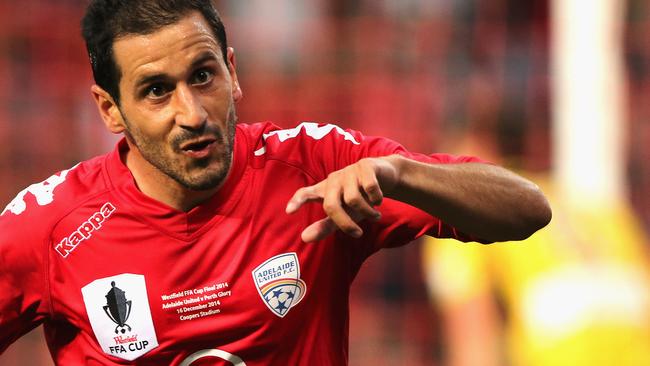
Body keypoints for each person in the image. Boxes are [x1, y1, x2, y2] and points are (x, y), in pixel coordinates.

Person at [0, 1, 551, 365]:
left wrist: (399, 173)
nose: (192, 113)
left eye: (202, 75)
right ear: (110, 109)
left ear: (233, 71)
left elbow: (528, 210)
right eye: (156, 91)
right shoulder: (52, 225)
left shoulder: (315, 165)